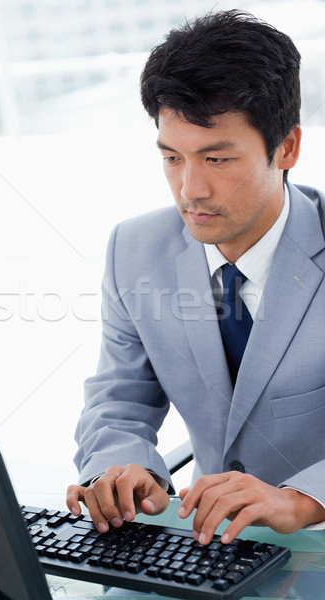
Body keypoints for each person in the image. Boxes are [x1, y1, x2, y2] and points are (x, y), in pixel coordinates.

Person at [66, 9, 325, 546]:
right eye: (171, 158)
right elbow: (121, 396)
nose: (191, 190)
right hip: (212, 543)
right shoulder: (134, 249)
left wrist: (302, 499)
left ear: (288, 149)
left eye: (217, 158)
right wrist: (121, 468)